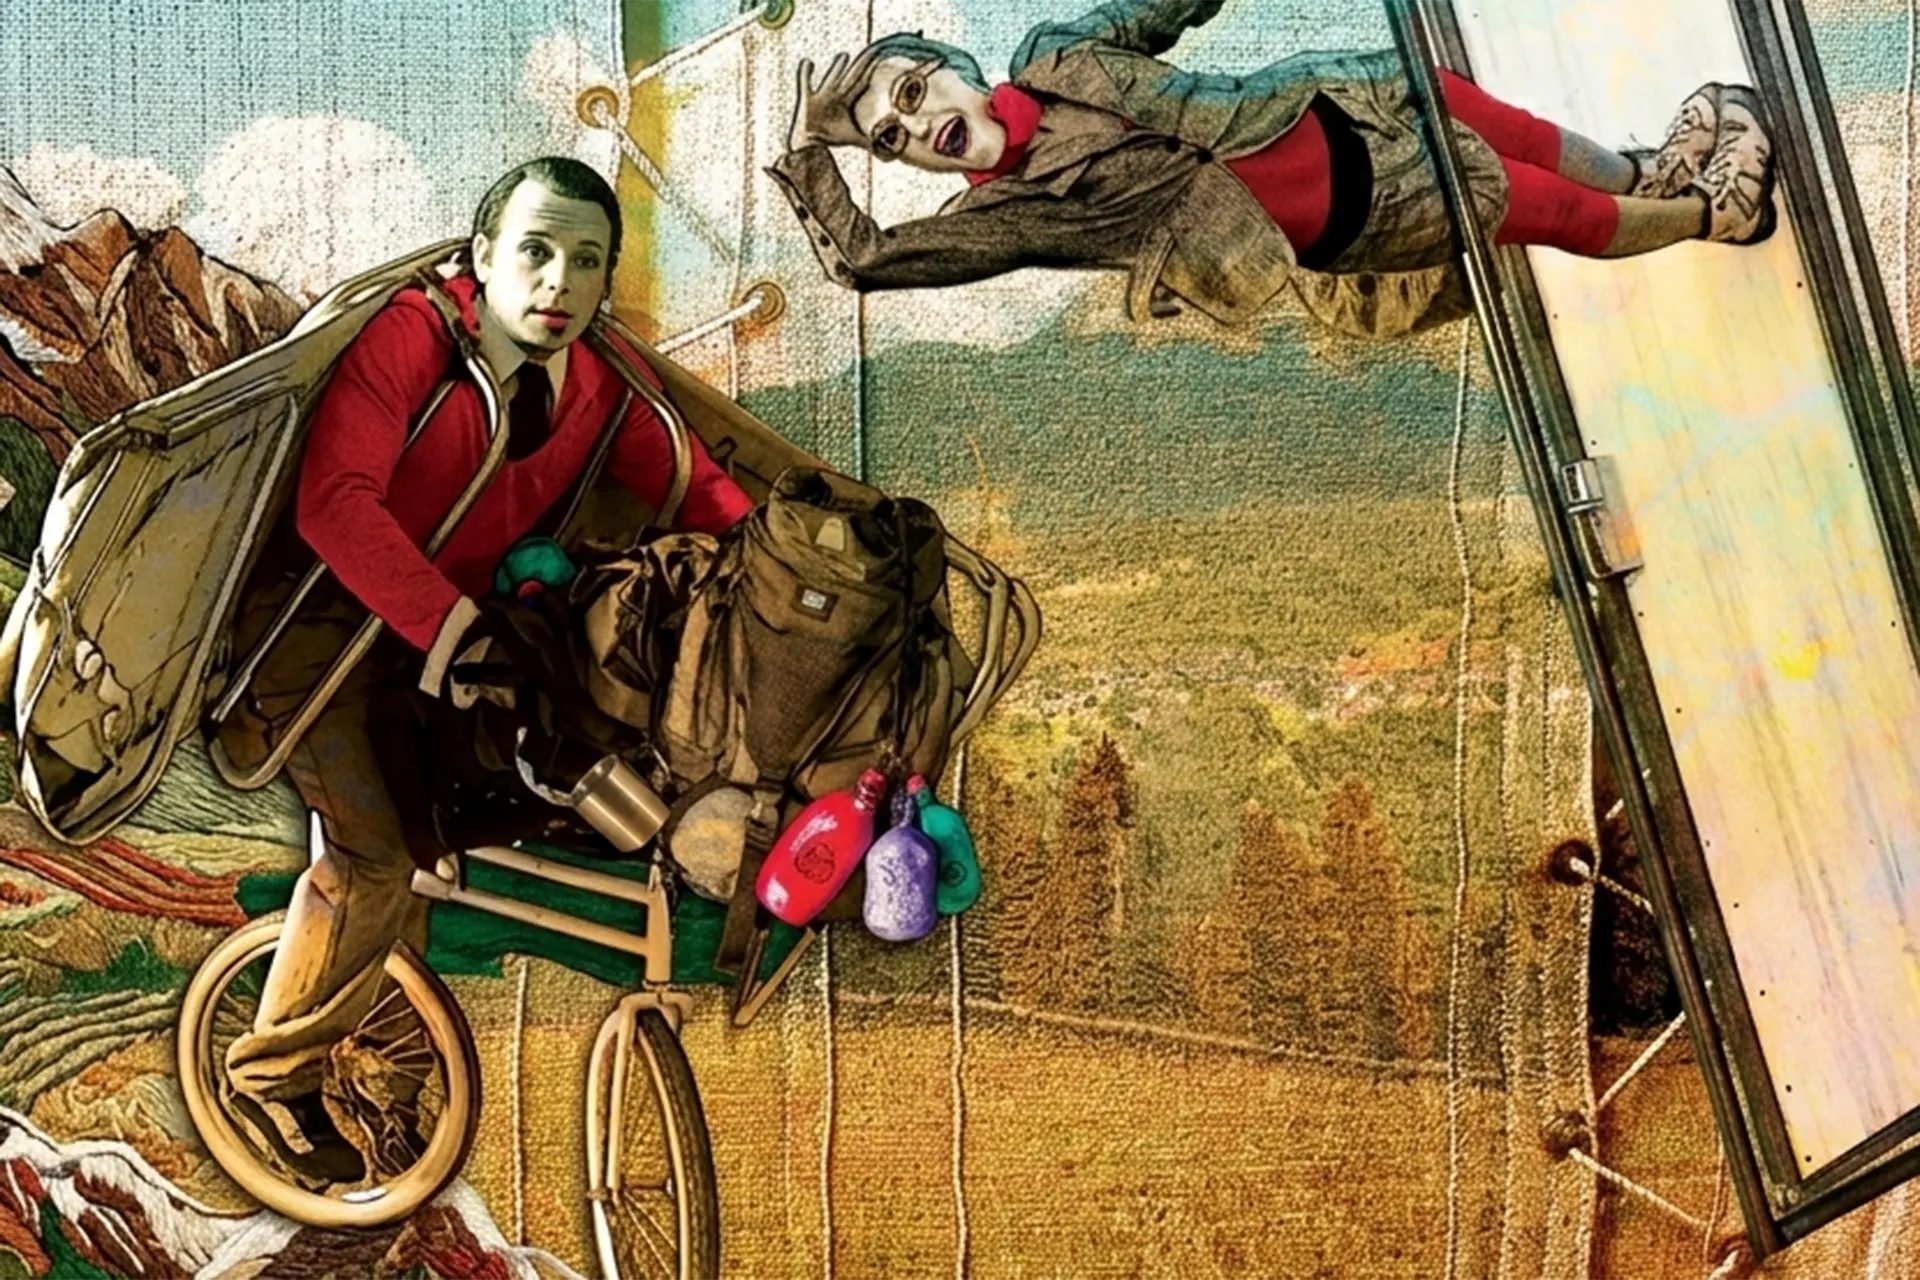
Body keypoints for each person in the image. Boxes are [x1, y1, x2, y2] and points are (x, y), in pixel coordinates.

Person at [212, 156, 754, 1183]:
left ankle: (389, 1072)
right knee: (376, 856)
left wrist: (786, 567)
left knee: (477, 822)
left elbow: (696, 487)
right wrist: (456, 632)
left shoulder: (597, 385)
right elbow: (335, 504)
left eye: (586, 261)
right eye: (536, 251)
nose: (558, 281)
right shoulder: (410, 338)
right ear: (482, 257)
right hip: (315, 640)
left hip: (450, 648)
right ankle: (273, 1074)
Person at [766, 0, 1776, 340]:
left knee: (1487, 116)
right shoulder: (1015, 215)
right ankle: (1711, 213)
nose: (916, 126)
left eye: (912, 92)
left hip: (1326, 96)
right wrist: (814, 155)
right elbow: (863, 259)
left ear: (952, 66)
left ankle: (1648, 171)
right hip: (1351, 213)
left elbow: (1161, 6)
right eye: (889, 140)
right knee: (1529, 203)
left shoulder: (1052, 54)